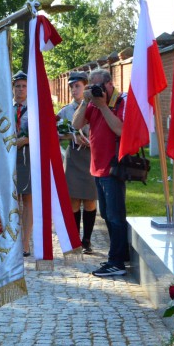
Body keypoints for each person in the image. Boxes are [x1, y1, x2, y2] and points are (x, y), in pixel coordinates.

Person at [71, 67, 128, 277]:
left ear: (109, 84)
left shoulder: (120, 101)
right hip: (97, 167)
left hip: (114, 167)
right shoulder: (93, 103)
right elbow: (76, 124)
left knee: (115, 215)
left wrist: (103, 105)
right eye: (92, 86)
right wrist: (86, 101)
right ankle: (118, 255)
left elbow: (120, 129)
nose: (95, 90)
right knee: (106, 214)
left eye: (97, 85)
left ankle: (117, 262)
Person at [57, 72, 97, 254]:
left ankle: (87, 240)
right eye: (72, 86)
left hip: (92, 156)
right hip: (73, 157)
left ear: (86, 87)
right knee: (73, 199)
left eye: (78, 86)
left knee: (89, 200)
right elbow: (55, 131)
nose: (74, 89)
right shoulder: (66, 110)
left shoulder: (95, 106)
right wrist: (71, 135)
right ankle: (75, 239)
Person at [11, 72, 33, 256]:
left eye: (24, 86)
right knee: (11, 201)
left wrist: (27, 140)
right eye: (17, 86)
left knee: (27, 199)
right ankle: (11, 241)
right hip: (7, 158)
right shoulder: (5, 107)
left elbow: (43, 131)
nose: (20, 89)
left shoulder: (34, 108)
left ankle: (25, 243)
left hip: (27, 156)